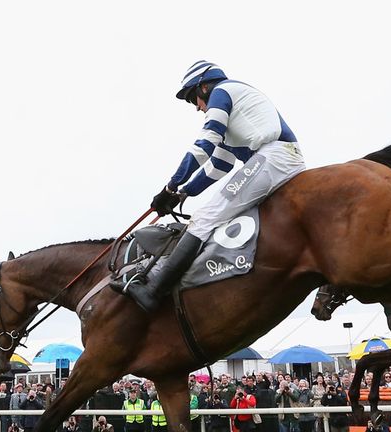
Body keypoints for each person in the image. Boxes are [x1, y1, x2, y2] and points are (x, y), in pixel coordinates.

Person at [113, 60, 306, 313]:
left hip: (272, 158)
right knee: (215, 217)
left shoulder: (221, 93)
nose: (197, 107)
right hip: (279, 158)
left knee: (203, 219)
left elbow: (204, 144)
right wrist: (184, 192)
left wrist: (170, 186)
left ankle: (153, 291)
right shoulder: (234, 109)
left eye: (193, 99)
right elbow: (219, 165)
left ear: (203, 87)